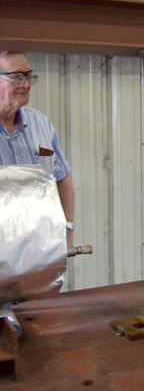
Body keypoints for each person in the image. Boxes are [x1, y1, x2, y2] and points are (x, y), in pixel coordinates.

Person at [0, 51, 74, 247]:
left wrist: (67, 226)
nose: (26, 84)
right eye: (17, 77)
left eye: (28, 76)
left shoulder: (40, 125)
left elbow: (62, 176)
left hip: (40, 247)